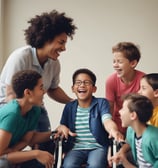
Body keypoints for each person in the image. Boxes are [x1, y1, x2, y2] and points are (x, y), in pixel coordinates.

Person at [0, 10, 77, 155]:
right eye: (61, 42)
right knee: (12, 148)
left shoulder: (54, 63)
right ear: (46, 39)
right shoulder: (21, 57)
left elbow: (52, 89)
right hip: (11, 107)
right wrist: (19, 121)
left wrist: (72, 102)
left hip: (35, 108)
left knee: (44, 144)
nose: (64, 48)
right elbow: (11, 94)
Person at [56, 68, 123, 168]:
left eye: (86, 82)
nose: (82, 85)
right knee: (68, 165)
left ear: (94, 88)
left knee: (95, 165)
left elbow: (107, 120)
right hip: (75, 148)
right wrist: (61, 127)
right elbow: (62, 126)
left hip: (97, 147)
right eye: (78, 82)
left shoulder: (101, 103)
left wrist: (113, 130)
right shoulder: (69, 107)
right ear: (73, 88)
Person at [0, 70, 57, 168]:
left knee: (42, 162)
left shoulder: (35, 110)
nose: (44, 91)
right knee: (4, 164)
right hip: (2, 158)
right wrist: (36, 153)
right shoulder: (12, 114)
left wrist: (55, 133)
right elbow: (1, 154)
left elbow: (27, 139)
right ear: (28, 92)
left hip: (8, 154)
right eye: (41, 87)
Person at [105, 42, 145, 136]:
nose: (115, 65)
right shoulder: (111, 81)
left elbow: (146, 107)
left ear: (133, 63)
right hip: (119, 124)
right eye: (114, 61)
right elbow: (109, 107)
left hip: (137, 123)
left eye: (119, 61)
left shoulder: (143, 80)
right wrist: (112, 129)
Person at [109, 94, 158, 168]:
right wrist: (120, 153)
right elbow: (129, 143)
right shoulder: (131, 130)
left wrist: (124, 161)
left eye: (123, 109)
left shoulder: (153, 137)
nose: (119, 111)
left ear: (133, 115)